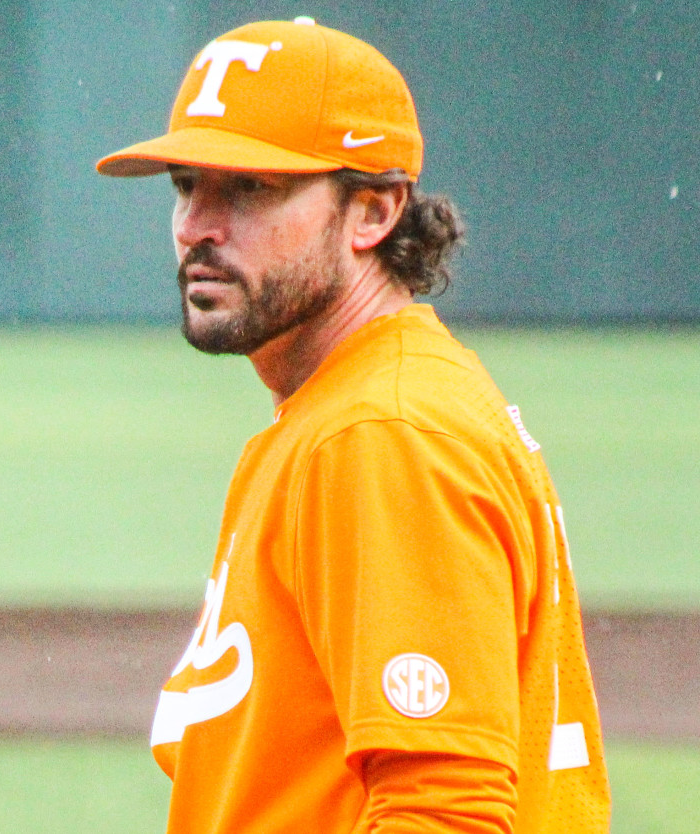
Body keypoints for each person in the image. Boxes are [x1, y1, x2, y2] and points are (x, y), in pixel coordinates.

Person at [95, 18, 611, 833]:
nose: (198, 225)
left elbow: (445, 813)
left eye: (252, 188)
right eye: (187, 185)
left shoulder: (383, 433)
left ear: (372, 211)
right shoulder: (354, 408)